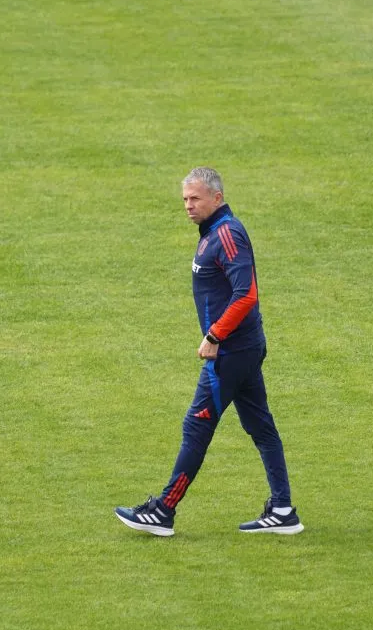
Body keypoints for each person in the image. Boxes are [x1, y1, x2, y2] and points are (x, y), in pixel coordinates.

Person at [114, 167, 303, 536]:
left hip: (231, 352)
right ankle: (282, 510)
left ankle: (164, 510)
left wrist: (215, 335)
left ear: (217, 197)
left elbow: (246, 293)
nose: (188, 206)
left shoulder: (228, 234)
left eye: (195, 198)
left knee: (196, 426)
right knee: (260, 426)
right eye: (185, 199)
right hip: (242, 348)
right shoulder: (212, 234)